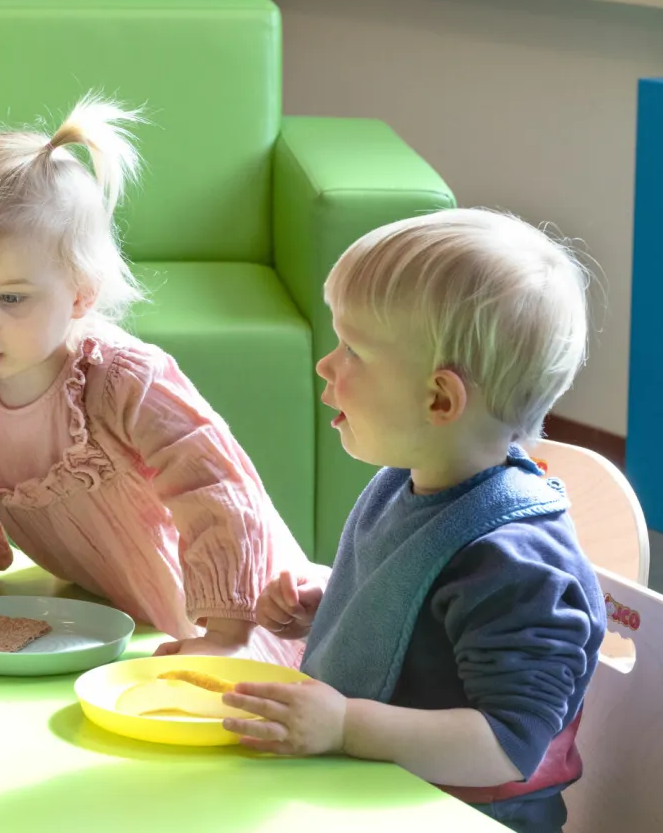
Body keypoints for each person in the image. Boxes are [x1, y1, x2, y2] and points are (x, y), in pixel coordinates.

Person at [0, 95, 309, 666]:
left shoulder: (127, 382)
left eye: (11, 297)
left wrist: (228, 630)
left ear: (81, 292)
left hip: (244, 614)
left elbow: (218, 493)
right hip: (108, 621)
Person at [228, 209, 607, 833]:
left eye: (352, 349)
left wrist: (346, 725)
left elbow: (507, 745)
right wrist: (334, 605)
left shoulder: (516, 565)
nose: (326, 365)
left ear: (439, 399)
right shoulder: (414, 484)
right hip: (371, 791)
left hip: (458, 815)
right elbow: (425, 609)